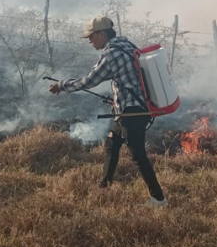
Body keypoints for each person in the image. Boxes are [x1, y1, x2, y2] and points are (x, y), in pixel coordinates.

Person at [49, 16, 168, 206]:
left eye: (91, 37)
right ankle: (104, 187)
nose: (89, 41)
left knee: (137, 155)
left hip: (132, 112)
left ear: (102, 34)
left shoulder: (112, 54)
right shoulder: (127, 45)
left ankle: (159, 198)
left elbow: (89, 81)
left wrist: (62, 85)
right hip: (130, 108)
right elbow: (130, 80)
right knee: (112, 145)